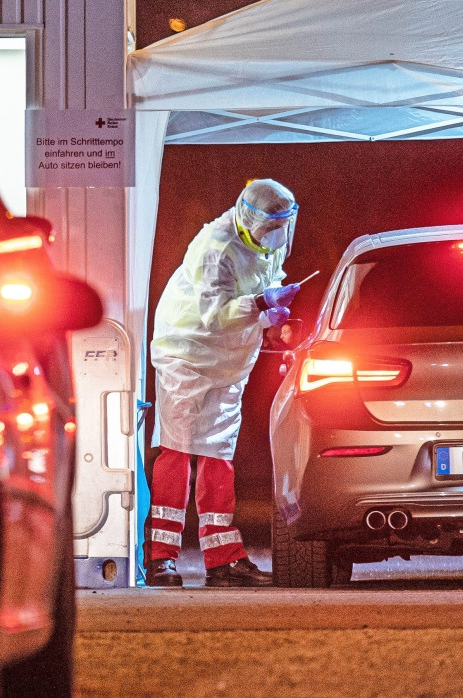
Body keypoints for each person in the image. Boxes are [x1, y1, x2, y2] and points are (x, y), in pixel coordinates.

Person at [146, 179, 300, 588]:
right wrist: (263, 307)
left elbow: (264, 282)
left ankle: (223, 560)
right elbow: (215, 314)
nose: (279, 233)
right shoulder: (216, 248)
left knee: (217, 457)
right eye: (273, 224)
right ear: (250, 218)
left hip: (228, 363)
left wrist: (270, 317)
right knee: (177, 453)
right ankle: (161, 558)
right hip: (188, 356)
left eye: (284, 224)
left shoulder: (270, 239)